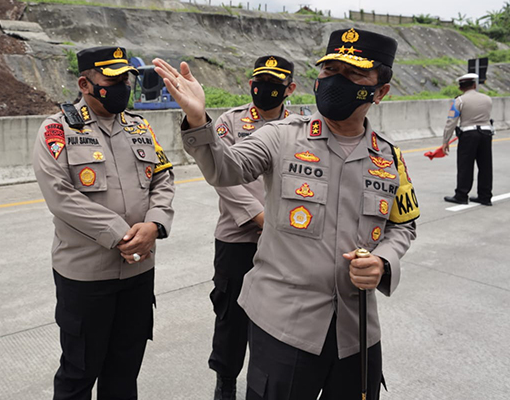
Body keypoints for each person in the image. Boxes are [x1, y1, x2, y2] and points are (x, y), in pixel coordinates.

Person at [154, 27, 419, 399]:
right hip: (283, 327)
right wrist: (199, 121)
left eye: (353, 75)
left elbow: (402, 226)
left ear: (380, 91)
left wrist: (383, 263)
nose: (335, 82)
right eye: (330, 72)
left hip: (356, 331)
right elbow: (225, 169)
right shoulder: (281, 136)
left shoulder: (389, 158)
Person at [32, 46, 175, 400]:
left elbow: (163, 179)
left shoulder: (140, 127)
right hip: (86, 278)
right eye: (113, 80)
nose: (123, 86)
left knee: (124, 372)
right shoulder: (57, 130)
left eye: (126, 79)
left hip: (139, 274)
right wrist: (123, 235)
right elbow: (60, 196)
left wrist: (155, 225)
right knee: (79, 372)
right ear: (85, 83)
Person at [209, 55, 296, 400]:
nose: (265, 89)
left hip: (284, 241)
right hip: (237, 238)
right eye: (260, 81)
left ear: (289, 88)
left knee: (274, 319)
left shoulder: (301, 128)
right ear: (251, 84)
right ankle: (225, 384)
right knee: (230, 317)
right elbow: (222, 178)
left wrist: (278, 221)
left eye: (275, 84)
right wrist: (259, 216)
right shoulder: (229, 122)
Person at [442, 73, 494, 206]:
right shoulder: (488, 99)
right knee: (485, 166)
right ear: (474, 85)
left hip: (468, 135)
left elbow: (451, 122)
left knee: (465, 166)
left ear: (460, 88)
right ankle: (485, 196)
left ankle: (461, 195)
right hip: (486, 134)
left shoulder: (459, 101)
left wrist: (445, 141)